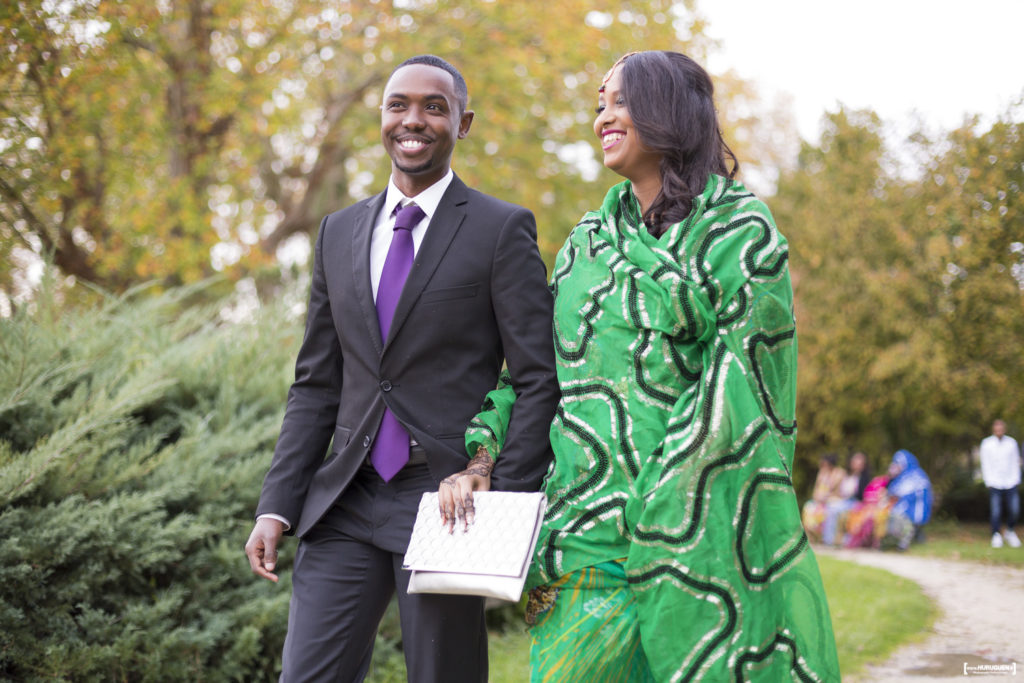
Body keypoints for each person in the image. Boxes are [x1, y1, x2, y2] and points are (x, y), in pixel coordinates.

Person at [449, 51, 839, 682]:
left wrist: (660, 501)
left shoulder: (742, 232)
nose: (604, 116)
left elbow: (750, 390)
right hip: (582, 538)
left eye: (621, 100)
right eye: (600, 104)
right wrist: (481, 458)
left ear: (671, 110)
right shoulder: (586, 244)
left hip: (698, 542)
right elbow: (533, 374)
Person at [244, 55, 559, 683]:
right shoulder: (338, 233)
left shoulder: (501, 230)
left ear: (462, 123)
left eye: (433, 107)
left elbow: (536, 378)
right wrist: (275, 505)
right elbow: (316, 383)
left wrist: (502, 495)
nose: (413, 120)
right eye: (398, 105)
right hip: (346, 500)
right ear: (382, 118)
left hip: (445, 504)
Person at [979, 419, 1022, 548]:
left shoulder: (1011, 443)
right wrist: (988, 480)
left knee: (1014, 509)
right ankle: (996, 535)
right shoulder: (986, 443)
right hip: (994, 482)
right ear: (993, 430)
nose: (999, 431)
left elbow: (1015, 462)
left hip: (1011, 481)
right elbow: (984, 463)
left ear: (1004, 429)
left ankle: (1010, 531)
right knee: (996, 511)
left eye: (1001, 429)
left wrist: (1016, 479)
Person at [884, 449, 933, 551]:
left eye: (896, 464)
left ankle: (901, 542)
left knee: (890, 515)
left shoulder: (914, 476)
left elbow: (894, 495)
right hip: (906, 512)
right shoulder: (904, 476)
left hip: (912, 514)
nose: (894, 467)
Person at [821, 451, 871, 546]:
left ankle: (836, 540)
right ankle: (828, 539)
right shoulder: (847, 475)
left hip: (855, 502)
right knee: (830, 507)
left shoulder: (864, 478)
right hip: (845, 501)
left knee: (835, 510)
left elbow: (861, 495)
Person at [801, 453, 846, 542]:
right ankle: (810, 535)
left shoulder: (839, 473)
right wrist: (817, 497)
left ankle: (828, 539)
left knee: (829, 510)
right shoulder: (822, 473)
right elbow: (816, 490)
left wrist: (826, 477)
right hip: (820, 501)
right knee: (808, 507)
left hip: (834, 500)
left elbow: (832, 488)